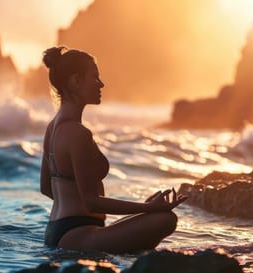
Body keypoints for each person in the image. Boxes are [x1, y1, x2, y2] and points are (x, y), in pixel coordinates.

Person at [40, 46, 187, 253]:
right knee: (165, 219)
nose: (101, 83)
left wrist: (142, 208)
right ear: (76, 81)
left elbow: (46, 188)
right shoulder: (77, 133)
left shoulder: (52, 128)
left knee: (148, 215)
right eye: (95, 77)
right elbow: (91, 202)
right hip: (78, 237)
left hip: (56, 231)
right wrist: (148, 209)